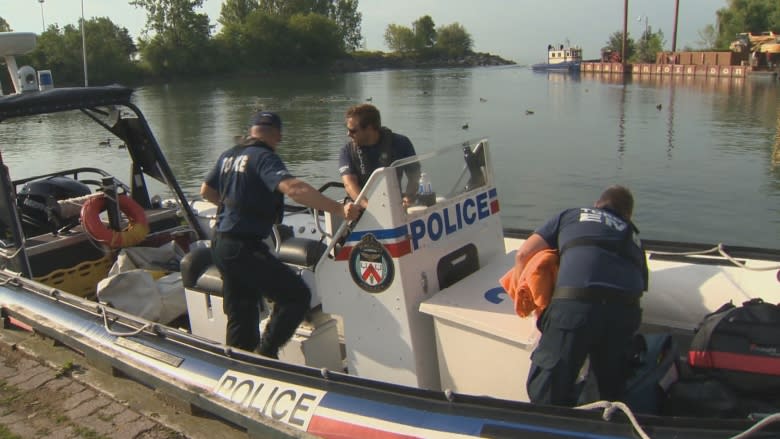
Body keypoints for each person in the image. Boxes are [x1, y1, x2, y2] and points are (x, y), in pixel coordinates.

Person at [200, 111, 361, 357]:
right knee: (295, 296)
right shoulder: (264, 157)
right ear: (276, 134)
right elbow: (294, 189)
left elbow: (206, 191)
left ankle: (240, 364)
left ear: (252, 130)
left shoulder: (229, 155)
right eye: (279, 136)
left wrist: (236, 208)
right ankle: (266, 355)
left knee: (241, 311)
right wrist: (339, 209)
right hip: (243, 248)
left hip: (221, 244)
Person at [513, 185, 648, 406]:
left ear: (597, 204)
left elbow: (523, 254)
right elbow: (639, 286)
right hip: (624, 314)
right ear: (628, 215)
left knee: (545, 393)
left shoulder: (572, 215)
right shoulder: (635, 238)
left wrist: (523, 299)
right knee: (610, 395)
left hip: (574, 308)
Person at [338, 104, 420, 208]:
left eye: (353, 130)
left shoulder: (401, 143)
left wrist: (409, 197)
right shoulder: (347, 151)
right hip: (363, 209)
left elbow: (415, 175)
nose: (348, 134)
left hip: (395, 206)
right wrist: (370, 207)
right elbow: (349, 184)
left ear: (369, 128)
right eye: (347, 129)